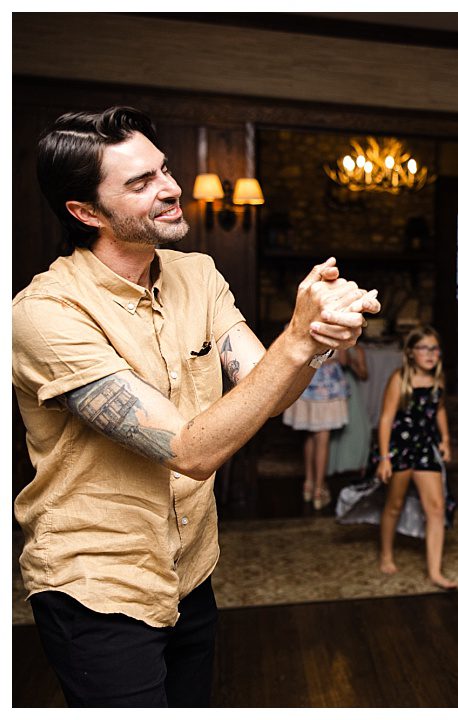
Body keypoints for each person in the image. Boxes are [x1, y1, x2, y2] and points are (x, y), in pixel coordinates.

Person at [14, 106, 376, 706]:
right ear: (84, 212)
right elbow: (191, 451)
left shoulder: (198, 274)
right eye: (140, 182)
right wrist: (295, 338)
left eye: (164, 168)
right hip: (97, 584)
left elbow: (267, 389)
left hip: (191, 568)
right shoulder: (44, 315)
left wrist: (315, 342)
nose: (171, 188)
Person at [374, 326, 458, 589]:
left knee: (436, 508)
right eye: (424, 348)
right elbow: (386, 418)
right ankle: (386, 553)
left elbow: (439, 410)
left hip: (426, 447)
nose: (431, 354)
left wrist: (445, 439)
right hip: (400, 448)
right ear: (411, 353)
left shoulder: (438, 379)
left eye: (435, 348)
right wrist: (385, 457)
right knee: (394, 504)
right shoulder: (399, 379)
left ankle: (435, 571)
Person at [286, 343, 365, 509]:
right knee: (322, 438)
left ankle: (308, 483)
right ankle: (319, 488)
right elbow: (342, 360)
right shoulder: (336, 328)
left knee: (309, 434)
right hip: (327, 386)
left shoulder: (300, 324)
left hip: (306, 382)